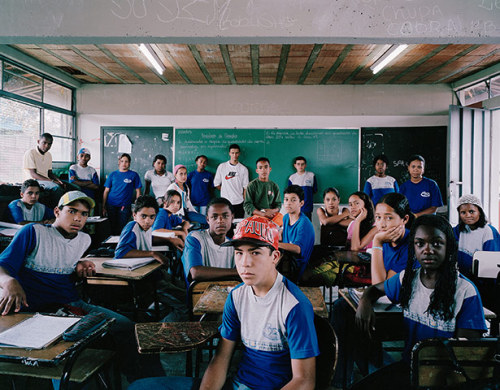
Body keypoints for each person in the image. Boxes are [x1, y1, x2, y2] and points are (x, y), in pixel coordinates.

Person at [129, 215, 319, 390]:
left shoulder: (293, 306)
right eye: (239, 253)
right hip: (236, 384)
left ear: (275, 257)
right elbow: (221, 357)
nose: (245, 262)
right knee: (139, 387)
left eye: (255, 253)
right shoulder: (236, 297)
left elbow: (304, 380)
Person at [0, 191, 164, 381]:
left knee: (130, 329)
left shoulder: (83, 240)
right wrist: (8, 281)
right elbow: (3, 265)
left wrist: (78, 265)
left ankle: (145, 383)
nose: (78, 218)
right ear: (56, 211)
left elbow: (63, 261)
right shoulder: (33, 232)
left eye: (84, 214)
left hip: (70, 304)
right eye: (71, 211)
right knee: (66, 351)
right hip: (34, 310)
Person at [353, 215, 487, 388]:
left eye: (437, 243)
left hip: (445, 379)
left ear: (449, 247)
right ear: (413, 247)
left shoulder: (465, 292)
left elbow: (467, 358)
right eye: (420, 243)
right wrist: (365, 301)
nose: (427, 250)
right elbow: (375, 289)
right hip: (410, 368)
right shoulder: (407, 279)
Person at [329, 192, 415, 387]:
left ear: (405, 219)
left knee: (355, 324)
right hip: (386, 304)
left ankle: (375, 374)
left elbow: (380, 285)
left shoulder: (409, 245)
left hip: (404, 311)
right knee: (342, 308)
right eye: (378, 217)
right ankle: (344, 378)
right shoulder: (388, 240)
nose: (382, 224)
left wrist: (376, 243)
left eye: (389, 218)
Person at [452, 194, 500, 314]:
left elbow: (490, 264)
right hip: (465, 279)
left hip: (484, 283)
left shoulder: (488, 231)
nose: (467, 215)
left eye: (472, 211)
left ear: (480, 212)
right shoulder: (461, 229)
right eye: (463, 212)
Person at [181, 197, 238, 285]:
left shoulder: (233, 246)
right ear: (208, 220)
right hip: (199, 295)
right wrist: (236, 272)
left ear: (232, 218)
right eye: (214, 217)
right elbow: (196, 273)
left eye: (225, 216)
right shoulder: (195, 238)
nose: (220, 221)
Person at [279, 185, 315, 281]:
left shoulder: (304, 223)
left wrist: (275, 244)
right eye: (286, 199)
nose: (288, 203)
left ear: (301, 203)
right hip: (286, 260)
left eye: (293, 200)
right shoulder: (286, 217)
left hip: (298, 267)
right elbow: (283, 237)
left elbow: (297, 248)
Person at [102, 153, 142, 235]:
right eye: (122, 161)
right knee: (112, 227)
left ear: (129, 163)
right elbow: (106, 191)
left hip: (125, 205)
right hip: (111, 205)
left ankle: (122, 246)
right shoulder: (113, 174)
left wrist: (137, 206)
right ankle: (113, 247)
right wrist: (103, 206)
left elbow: (138, 191)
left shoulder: (134, 175)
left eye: (126, 161)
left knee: (122, 228)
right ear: (119, 162)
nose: (124, 163)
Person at [23, 133, 65, 206]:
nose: (47, 146)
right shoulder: (30, 153)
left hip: (46, 180)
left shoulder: (48, 155)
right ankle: (56, 211)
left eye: (49, 144)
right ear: (38, 141)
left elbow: (50, 173)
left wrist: (59, 180)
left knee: (70, 186)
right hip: (34, 181)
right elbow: (33, 174)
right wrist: (52, 181)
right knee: (56, 187)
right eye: (44, 143)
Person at [214, 144, 249, 218]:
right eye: (232, 153)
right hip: (225, 202)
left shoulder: (243, 169)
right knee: (225, 225)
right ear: (229, 153)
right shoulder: (222, 167)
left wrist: (244, 200)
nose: (234, 155)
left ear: (239, 154)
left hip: (239, 202)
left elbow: (245, 187)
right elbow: (216, 184)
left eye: (236, 153)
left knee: (238, 225)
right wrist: (225, 190)